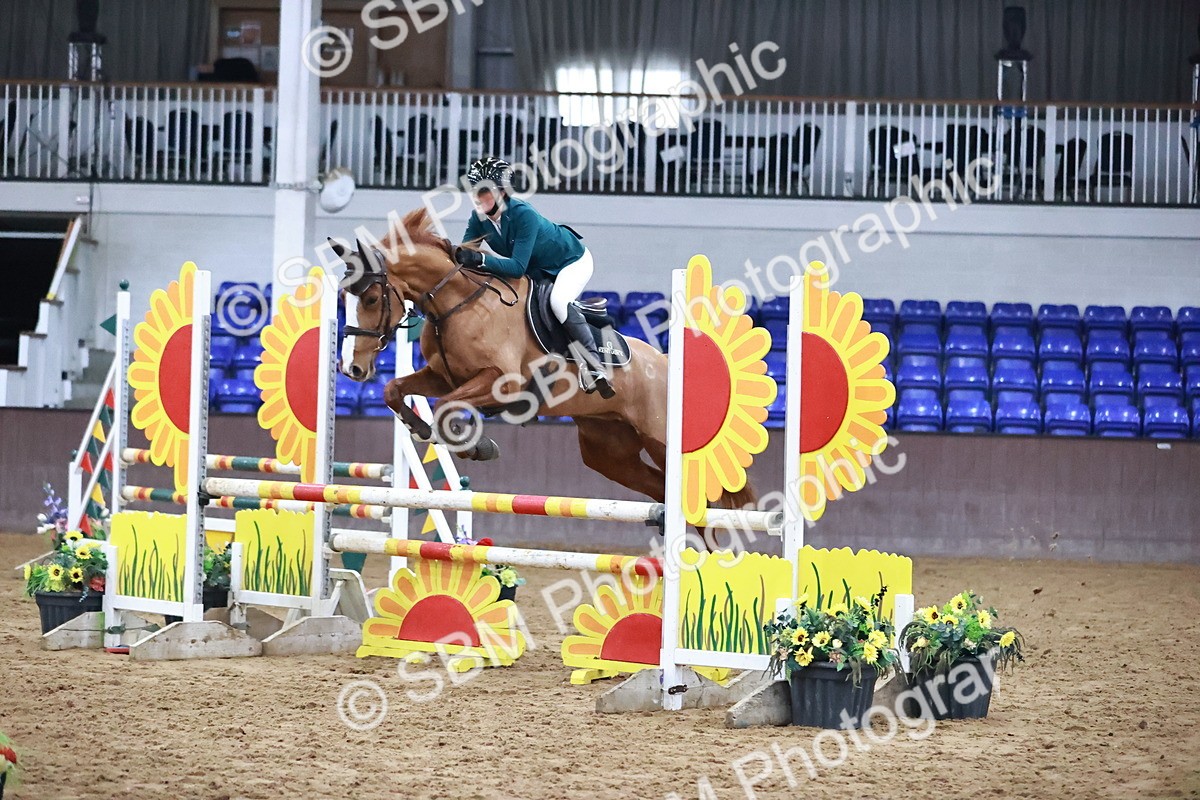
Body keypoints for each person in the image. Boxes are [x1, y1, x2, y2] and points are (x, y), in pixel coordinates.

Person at [453, 156, 614, 398]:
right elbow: (466, 253)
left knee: (558, 302)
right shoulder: (479, 218)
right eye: (475, 190)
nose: (478, 196)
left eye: (484, 190)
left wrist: (483, 260)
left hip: (570, 262)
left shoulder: (522, 214)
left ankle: (594, 365)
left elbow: (517, 267)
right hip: (537, 269)